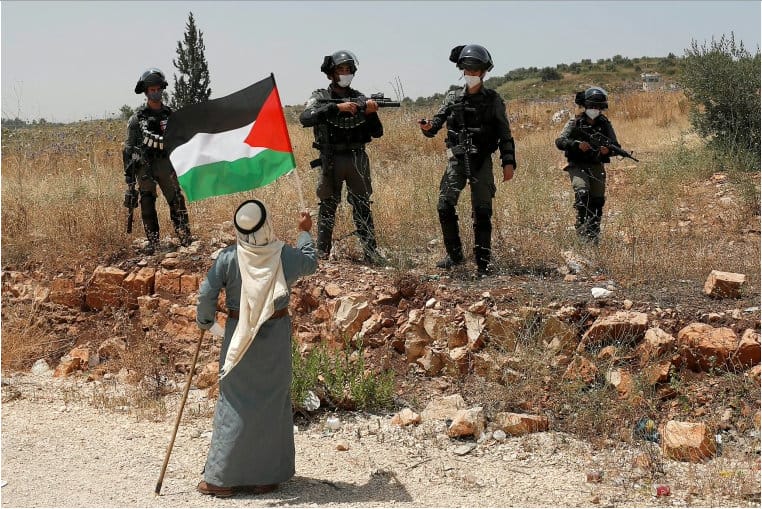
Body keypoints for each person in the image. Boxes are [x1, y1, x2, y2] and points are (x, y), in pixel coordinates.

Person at [195, 200, 318, 497]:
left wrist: (208, 323)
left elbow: (206, 293)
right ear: (266, 225)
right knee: (271, 402)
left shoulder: (228, 257)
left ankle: (220, 480)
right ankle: (265, 477)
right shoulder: (282, 256)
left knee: (234, 402)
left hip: (238, 335)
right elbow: (310, 261)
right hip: (274, 336)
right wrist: (304, 231)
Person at [420, 44, 517, 276]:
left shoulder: (493, 99)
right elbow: (435, 125)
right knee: (444, 205)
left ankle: (483, 262)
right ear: (462, 70)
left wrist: (508, 161)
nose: (472, 74)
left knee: (482, 211)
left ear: (484, 72)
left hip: (481, 160)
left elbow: (505, 133)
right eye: (468, 70)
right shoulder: (452, 97)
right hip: (456, 160)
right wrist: (426, 127)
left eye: (476, 70)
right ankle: (454, 256)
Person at [299, 50, 385, 264]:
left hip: (357, 157)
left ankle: (370, 253)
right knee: (328, 205)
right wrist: (336, 108)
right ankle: (322, 252)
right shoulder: (320, 96)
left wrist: (371, 112)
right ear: (331, 73)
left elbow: (377, 133)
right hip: (330, 158)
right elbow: (306, 117)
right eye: (340, 70)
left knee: (362, 205)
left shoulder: (360, 98)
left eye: (348, 70)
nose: (345, 73)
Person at [123, 68, 192, 254]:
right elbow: (128, 149)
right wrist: (129, 179)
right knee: (147, 202)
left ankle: (185, 236)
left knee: (176, 200)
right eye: (151, 89)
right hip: (144, 166)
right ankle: (153, 242)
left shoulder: (171, 115)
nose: (155, 92)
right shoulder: (136, 120)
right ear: (145, 92)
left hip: (166, 164)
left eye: (158, 88)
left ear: (163, 89)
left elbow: (181, 140)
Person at [555, 87, 620, 244]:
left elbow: (615, 146)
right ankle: (582, 232)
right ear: (585, 106)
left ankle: (593, 235)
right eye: (591, 106)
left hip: (596, 166)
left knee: (597, 201)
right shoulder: (575, 122)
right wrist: (576, 145)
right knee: (582, 194)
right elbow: (560, 141)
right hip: (577, 166)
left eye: (598, 107)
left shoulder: (605, 124)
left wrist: (607, 151)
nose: (594, 110)